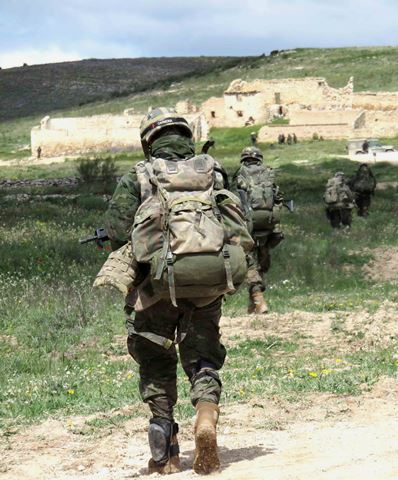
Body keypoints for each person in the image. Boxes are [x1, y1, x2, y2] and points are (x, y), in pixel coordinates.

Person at [103, 107, 253, 475]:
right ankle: (206, 414)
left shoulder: (139, 175)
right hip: (207, 284)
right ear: (187, 137)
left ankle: (165, 455)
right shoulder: (214, 171)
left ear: (148, 141)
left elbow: (117, 232)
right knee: (203, 355)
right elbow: (238, 220)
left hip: (154, 290)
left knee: (155, 360)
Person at [232, 146, 285, 314]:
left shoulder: (240, 174)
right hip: (269, 222)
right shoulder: (268, 173)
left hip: (248, 223)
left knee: (249, 262)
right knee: (262, 258)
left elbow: (233, 198)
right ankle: (253, 305)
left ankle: (258, 298)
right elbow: (278, 197)